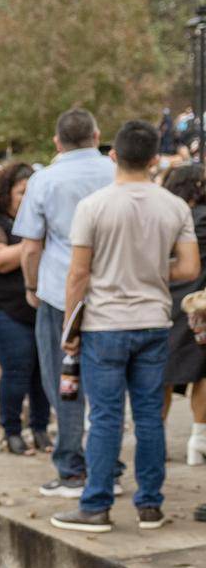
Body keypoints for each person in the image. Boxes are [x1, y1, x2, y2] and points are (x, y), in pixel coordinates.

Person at [51, 121, 200, 532]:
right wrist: (150, 273)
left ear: (113, 155)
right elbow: (189, 267)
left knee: (106, 417)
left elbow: (78, 274)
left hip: (104, 324)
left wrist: (70, 325)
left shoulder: (94, 206)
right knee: (151, 415)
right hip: (154, 321)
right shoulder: (174, 207)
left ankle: (96, 504)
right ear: (155, 159)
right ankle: (150, 504)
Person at [13, 108, 116, 498]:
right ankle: (109, 465)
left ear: (58, 142)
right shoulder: (115, 173)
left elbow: (30, 246)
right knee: (108, 383)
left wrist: (31, 285)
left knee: (64, 381)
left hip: (60, 293)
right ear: (96, 134)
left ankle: (72, 467)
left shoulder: (44, 180)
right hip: (112, 292)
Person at [0, 163, 49, 455]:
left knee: (43, 373)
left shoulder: (42, 223)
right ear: (6, 194)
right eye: (20, 192)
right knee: (18, 369)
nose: (26, 198)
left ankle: (40, 429)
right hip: (6, 311)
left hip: (40, 310)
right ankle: (12, 431)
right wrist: (33, 246)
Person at [160, 164, 206, 465]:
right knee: (203, 372)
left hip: (163, 301)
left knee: (160, 375)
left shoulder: (161, 214)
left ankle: (156, 438)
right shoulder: (202, 216)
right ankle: (198, 439)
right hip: (198, 303)